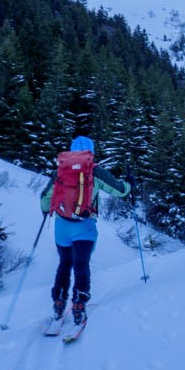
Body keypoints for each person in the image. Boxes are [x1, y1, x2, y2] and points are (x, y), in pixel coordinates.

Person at [40, 135, 131, 325]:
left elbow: (45, 197)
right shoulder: (94, 170)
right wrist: (130, 183)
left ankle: (58, 302)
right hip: (84, 225)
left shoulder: (61, 170)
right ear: (91, 152)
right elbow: (120, 190)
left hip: (61, 226)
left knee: (65, 263)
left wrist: (45, 210)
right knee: (81, 264)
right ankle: (79, 303)